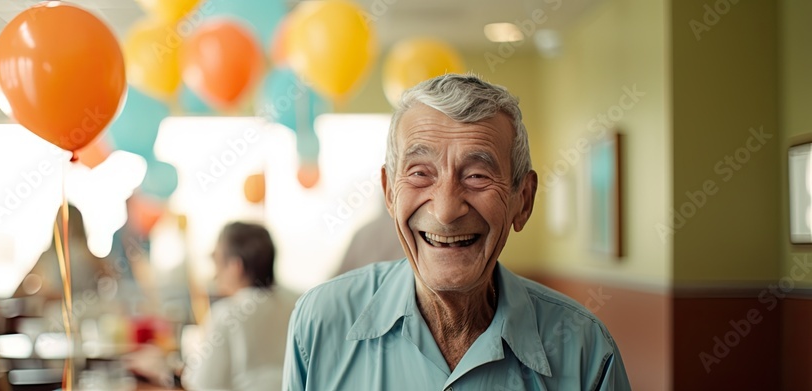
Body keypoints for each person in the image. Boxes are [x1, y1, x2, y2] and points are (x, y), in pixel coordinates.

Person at [283, 74, 631, 390]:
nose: (446, 210)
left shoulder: (585, 351)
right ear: (390, 192)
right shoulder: (320, 323)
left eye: (477, 175)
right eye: (420, 173)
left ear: (522, 201)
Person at [182, 222, 297, 391]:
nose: (215, 274)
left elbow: (202, 384)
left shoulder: (227, 313)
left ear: (236, 266)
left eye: (217, 260)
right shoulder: (299, 302)